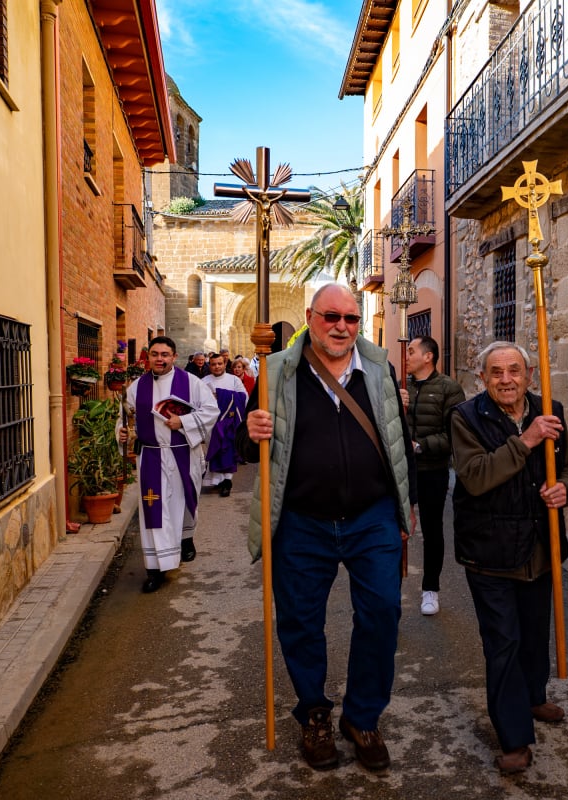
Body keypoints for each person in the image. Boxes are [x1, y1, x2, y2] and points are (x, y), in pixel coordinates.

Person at [237, 283, 416, 772]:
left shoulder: (378, 369)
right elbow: (241, 445)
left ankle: (361, 717)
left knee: (382, 614)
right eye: (331, 316)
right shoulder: (275, 372)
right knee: (299, 622)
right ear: (311, 319)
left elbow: (397, 437)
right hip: (301, 521)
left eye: (351, 319)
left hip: (371, 517)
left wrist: (409, 506)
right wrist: (249, 431)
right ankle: (314, 712)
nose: (342, 327)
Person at [450, 341, 568, 774]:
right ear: (482, 378)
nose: (507, 380)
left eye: (515, 371)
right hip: (489, 552)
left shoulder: (550, 408)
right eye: (496, 372)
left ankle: (533, 697)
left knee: (533, 630)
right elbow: (476, 477)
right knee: (503, 642)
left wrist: (566, 490)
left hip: (540, 547)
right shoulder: (465, 418)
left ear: (528, 374)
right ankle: (514, 736)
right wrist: (527, 439)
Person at [118, 337, 219, 593]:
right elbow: (124, 416)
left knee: (185, 501)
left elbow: (211, 410)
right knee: (154, 510)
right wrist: (121, 432)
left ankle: (186, 538)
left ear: (174, 357)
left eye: (165, 354)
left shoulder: (192, 383)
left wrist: (182, 423)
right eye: (154, 354)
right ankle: (156, 568)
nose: (159, 359)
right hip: (150, 457)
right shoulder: (136, 387)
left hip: (183, 452)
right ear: (148, 357)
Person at [404, 335, 465, 616]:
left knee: (432, 530)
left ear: (428, 357)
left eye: (412, 350)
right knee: (394, 528)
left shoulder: (449, 389)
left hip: (432, 471)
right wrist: (396, 403)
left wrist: (421, 446)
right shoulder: (401, 387)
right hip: (401, 471)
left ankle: (431, 589)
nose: (407, 354)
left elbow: (454, 434)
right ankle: (391, 590)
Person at [201, 353, 247, 496]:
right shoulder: (203, 381)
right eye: (213, 364)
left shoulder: (234, 380)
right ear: (210, 365)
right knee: (215, 451)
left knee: (228, 451)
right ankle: (218, 480)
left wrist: (220, 395)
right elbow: (197, 400)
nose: (217, 367)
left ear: (225, 364)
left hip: (229, 422)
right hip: (211, 423)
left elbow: (244, 397)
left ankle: (227, 481)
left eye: (220, 363)